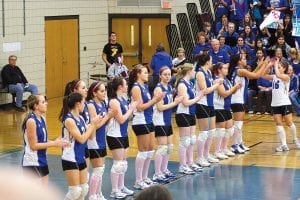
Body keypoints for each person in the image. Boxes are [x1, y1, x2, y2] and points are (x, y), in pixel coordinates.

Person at [128, 64, 165, 189]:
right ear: (138, 74)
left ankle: (144, 178)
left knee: (149, 151)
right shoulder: (136, 88)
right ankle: (138, 181)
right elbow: (140, 107)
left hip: (149, 120)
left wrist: (155, 99)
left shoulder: (144, 86)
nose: (147, 75)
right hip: (140, 121)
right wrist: (155, 100)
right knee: (143, 152)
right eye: (144, 72)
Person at [60, 92, 101, 200]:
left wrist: (94, 123)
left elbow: (87, 132)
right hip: (70, 158)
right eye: (83, 103)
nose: (85, 105)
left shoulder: (81, 119)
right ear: (78, 104)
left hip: (80, 156)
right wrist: (93, 125)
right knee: (74, 192)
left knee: (83, 189)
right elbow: (82, 139)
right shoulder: (69, 120)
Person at [22, 95, 69, 184]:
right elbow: (34, 146)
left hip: (42, 160)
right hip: (32, 162)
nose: (46, 103)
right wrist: (54, 144)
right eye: (43, 102)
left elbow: (43, 140)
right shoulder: (31, 121)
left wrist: (58, 141)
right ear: (36, 106)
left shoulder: (42, 119)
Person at [228, 53, 270, 153]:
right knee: (238, 124)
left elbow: (252, 75)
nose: (246, 60)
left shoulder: (240, 70)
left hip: (239, 99)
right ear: (239, 61)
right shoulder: (240, 70)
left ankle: (240, 143)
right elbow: (256, 75)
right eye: (244, 58)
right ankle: (234, 145)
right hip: (236, 100)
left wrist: (261, 64)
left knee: (239, 124)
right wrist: (265, 64)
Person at [107, 77, 138, 198]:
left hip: (123, 134)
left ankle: (121, 186)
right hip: (115, 135)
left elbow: (127, 118)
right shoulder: (114, 101)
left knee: (123, 163)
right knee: (118, 164)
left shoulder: (123, 99)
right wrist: (131, 109)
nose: (127, 86)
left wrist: (131, 110)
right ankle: (114, 190)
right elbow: (121, 120)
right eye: (125, 84)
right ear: (120, 87)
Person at [86, 81, 116, 200]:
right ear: (94, 93)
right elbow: (95, 125)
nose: (105, 93)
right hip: (94, 141)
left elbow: (103, 123)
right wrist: (108, 116)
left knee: (100, 170)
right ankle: (93, 196)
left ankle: (98, 194)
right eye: (102, 91)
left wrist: (111, 116)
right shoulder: (91, 105)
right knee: (98, 170)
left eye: (105, 91)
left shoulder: (103, 103)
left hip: (102, 139)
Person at [152, 67, 183, 182]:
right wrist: (175, 103)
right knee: (162, 148)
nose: (167, 76)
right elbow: (160, 107)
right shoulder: (158, 89)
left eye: (169, 74)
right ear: (160, 76)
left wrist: (176, 101)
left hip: (167, 120)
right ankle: (157, 173)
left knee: (169, 147)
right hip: (160, 121)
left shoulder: (169, 87)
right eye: (165, 74)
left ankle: (164, 170)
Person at [262, 60, 300, 151]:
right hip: (275, 104)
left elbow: (279, 75)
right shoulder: (274, 76)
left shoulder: (286, 77)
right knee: (278, 124)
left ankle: (295, 139)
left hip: (285, 103)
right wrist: (269, 65)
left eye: (280, 66)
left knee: (289, 123)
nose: (277, 67)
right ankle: (284, 144)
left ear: (284, 69)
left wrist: (275, 65)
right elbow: (263, 75)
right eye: (277, 66)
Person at [194, 54, 224, 165]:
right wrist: (217, 86)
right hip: (202, 104)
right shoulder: (200, 73)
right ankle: (200, 157)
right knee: (203, 133)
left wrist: (216, 83)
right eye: (211, 60)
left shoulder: (208, 72)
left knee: (211, 132)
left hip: (210, 104)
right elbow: (204, 90)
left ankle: (206, 155)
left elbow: (210, 86)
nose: (212, 62)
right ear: (207, 61)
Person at [175, 63, 203, 173]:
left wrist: (197, 98)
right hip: (183, 114)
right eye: (193, 70)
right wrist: (198, 98)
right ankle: (182, 165)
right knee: (185, 141)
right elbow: (185, 103)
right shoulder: (182, 84)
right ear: (189, 71)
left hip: (191, 113)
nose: (195, 72)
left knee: (191, 140)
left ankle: (190, 162)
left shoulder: (189, 83)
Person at [212, 62, 241, 157]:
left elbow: (231, 91)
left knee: (229, 130)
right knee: (220, 131)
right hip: (219, 107)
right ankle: (217, 151)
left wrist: (236, 87)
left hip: (226, 107)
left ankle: (224, 149)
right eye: (224, 68)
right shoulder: (218, 80)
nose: (226, 70)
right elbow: (224, 94)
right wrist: (234, 88)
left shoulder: (226, 80)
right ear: (219, 70)